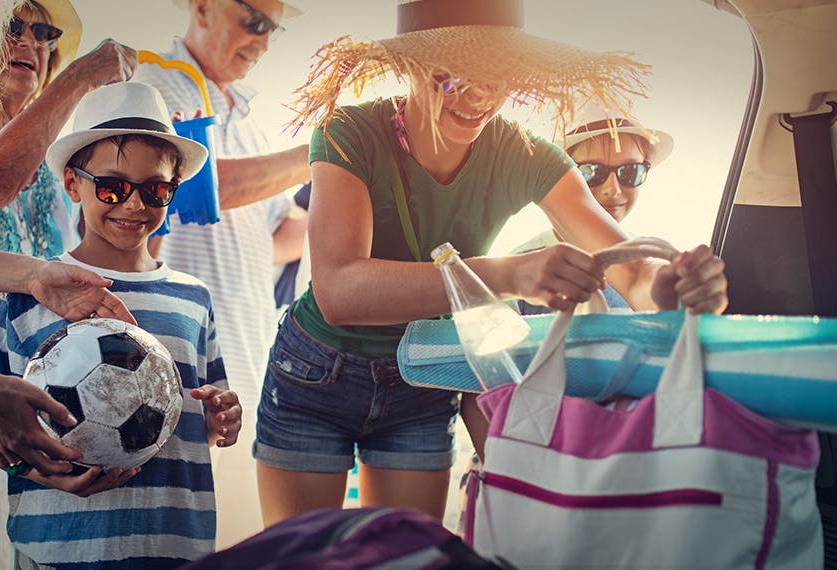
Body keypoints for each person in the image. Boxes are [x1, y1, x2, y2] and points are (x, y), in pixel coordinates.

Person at [254, 0, 729, 526]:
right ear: (408, 66)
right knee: (295, 555)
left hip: (427, 376)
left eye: (498, 76)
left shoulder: (527, 154)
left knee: (408, 559)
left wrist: (676, 285)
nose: (480, 96)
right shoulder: (350, 131)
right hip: (317, 373)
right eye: (454, 75)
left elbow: (634, 271)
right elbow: (339, 291)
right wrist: (506, 274)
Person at [0, 81, 242, 568]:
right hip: (60, 549)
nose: (135, 204)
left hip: (172, 548)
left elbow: (196, 421)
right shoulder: (25, 298)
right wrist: (38, 470)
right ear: (71, 184)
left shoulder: (193, 299)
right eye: (112, 187)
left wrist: (219, 418)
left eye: (157, 190)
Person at [0, 3, 140, 567]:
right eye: (14, 27)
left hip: (60, 367)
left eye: (44, 32)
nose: (31, 42)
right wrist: (82, 76)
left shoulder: (63, 149)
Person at [132, 0, 310, 545]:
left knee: (241, 543)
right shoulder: (157, 87)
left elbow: (282, 235)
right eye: (254, 20)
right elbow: (204, 185)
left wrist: (357, 187)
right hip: (184, 370)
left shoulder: (249, 121)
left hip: (253, 366)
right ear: (203, 5)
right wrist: (329, 149)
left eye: (273, 30)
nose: (262, 40)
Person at [513, 108, 675, 312]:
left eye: (631, 171)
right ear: (557, 175)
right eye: (592, 171)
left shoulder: (658, 266)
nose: (613, 190)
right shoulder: (520, 271)